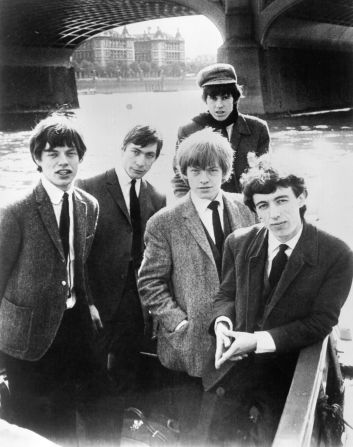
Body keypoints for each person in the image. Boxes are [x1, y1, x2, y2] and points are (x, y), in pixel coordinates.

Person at [203, 155, 353, 445]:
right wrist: (222, 325)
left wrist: (257, 341)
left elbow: (321, 322)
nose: (274, 215)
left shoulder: (337, 254)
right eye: (263, 205)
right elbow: (226, 295)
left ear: (302, 197)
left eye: (282, 200)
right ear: (255, 210)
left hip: (291, 376)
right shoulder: (239, 242)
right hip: (236, 372)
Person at [0, 114, 122, 445]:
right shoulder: (15, 211)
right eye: (52, 154)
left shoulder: (88, 205)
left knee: (89, 404)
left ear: (81, 158)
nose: (63, 162)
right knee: (36, 423)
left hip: (72, 323)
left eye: (70, 153)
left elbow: (77, 263)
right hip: (26, 334)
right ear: (37, 159)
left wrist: (89, 304)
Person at [138, 128, 255, 441]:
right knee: (193, 432)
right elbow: (150, 284)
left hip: (236, 342)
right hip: (190, 346)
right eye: (196, 170)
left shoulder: (244, 209)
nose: (204, 178)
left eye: (213, 170)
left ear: (225, 172)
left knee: (234, 427)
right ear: (184, 173)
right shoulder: (164, 221)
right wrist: (179, 325)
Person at [77, 124, 166, 399]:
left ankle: (122, 424)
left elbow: (155, 255)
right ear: (122, 150)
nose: (141, 162)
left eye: (149, 155)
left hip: (135, 302)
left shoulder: (157, 197)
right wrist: (88, 301)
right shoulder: (88, 187)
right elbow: (77, 253)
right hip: (97, 301)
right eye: (135, 152)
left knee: (126, 367)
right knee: (89, 372)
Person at [172, 63, 270, 197]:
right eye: (213, 98)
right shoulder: (188, 131)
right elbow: (180, 178)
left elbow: (265, 175)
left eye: (225, 97)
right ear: (205, 99)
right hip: (204, 208)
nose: (219, 105)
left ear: (235, 98)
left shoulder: (258, 129)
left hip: (245, 206)